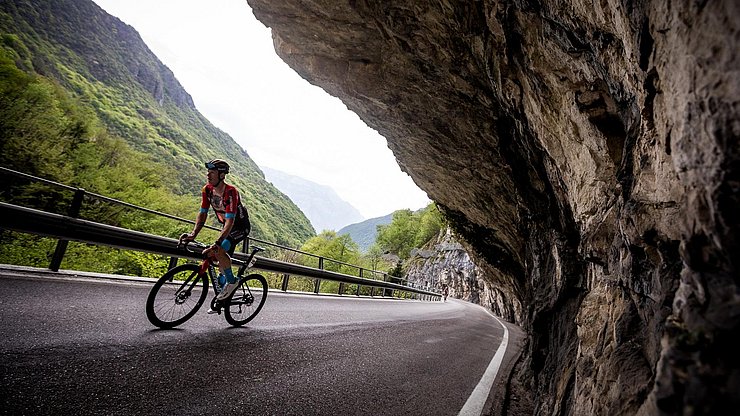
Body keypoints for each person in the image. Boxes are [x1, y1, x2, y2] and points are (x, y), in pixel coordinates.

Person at [180, 159, 251, 309]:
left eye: (212, 172)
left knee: (218, 250)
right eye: (208, 172)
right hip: (226, 227)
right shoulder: (207, 190)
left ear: (222, 175)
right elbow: (203, 214)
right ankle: (224, 289)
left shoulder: (231, 192)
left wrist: (217, 243)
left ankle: (233, 283)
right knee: (219, 267)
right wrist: (193, 234)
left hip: (239, 227)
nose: (208, 175)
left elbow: (230, 221)